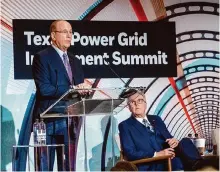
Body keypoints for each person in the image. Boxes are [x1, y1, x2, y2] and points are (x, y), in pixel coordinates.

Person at [32, 20, 90, 171]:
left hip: (71, 121)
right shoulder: (42, 57)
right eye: (64, 32)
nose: (69, 35)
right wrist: (72, 88)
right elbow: (44, 89)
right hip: (47, 121)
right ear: (53, 35)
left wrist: (84, 91)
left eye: (71, 32)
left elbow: (78, 90)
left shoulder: (75, 61)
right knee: (45, 167)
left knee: (68, 168)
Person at [118, 89, 204, 171]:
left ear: (145, 104)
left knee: (185, 141)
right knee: (178, 162)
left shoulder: (156, 119)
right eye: (132, 102)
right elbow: (130, 153)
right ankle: (198, 167)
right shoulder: (125, 126)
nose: (137, 104)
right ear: (128, 107)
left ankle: (199, 165)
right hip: (151, 162)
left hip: (168, 156)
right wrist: (157, 154)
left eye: (140, 100)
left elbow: (168, 137)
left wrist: (174, 141)